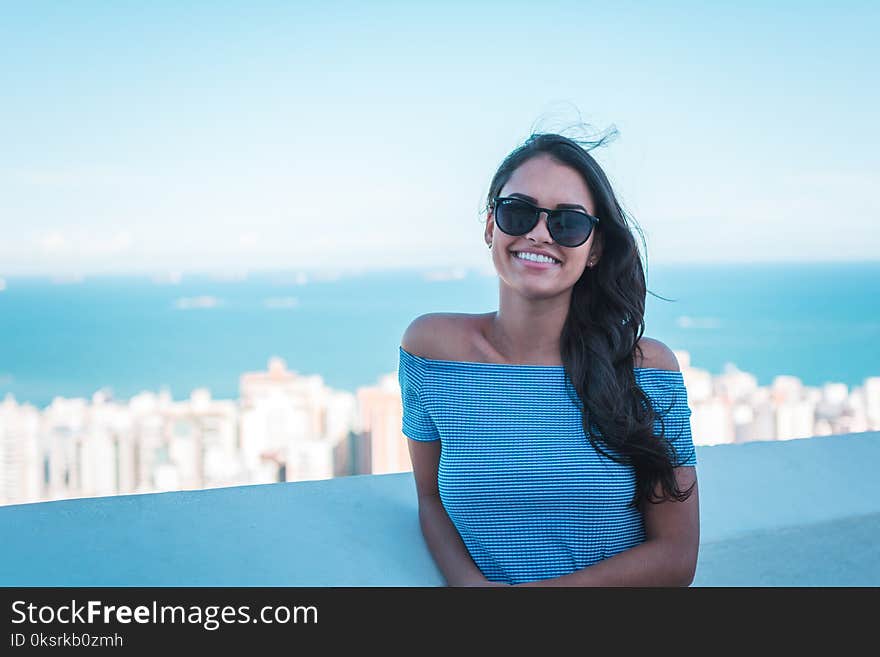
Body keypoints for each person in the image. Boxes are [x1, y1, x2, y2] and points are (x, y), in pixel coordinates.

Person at [398, 131, 699, 587]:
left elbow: (677, 558)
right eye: (518, 211)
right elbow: (430, 500)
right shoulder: (430, 352)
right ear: (489, 225)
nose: (539, 232)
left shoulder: (647, 372)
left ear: (595, 248)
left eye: (569, 222)